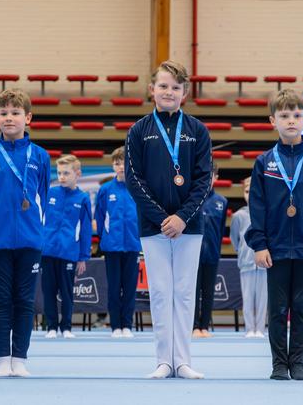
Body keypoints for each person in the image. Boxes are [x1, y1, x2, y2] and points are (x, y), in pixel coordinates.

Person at [245, 89, 303, 381]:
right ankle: (278, 364)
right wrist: (259, 245)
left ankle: (297, 363)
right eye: (284, 116)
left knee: (300, 309)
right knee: (277, 311)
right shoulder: (264, 163)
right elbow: (257, 208)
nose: (291, 121)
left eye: (297, 116)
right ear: (272, 120)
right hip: (273, 250)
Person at [125, 60, 212, 379]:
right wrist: (164, 218)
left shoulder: (197, 131)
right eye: (163, 86)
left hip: (190, 227)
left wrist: (182, 217)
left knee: (186, 292)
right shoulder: (139, 130)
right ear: (152, 90)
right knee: (161, 292)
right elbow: (134, 180)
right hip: (153, 226)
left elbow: (205, 181)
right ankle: (164, 360)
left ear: (184, 93)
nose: (169, 92)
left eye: (175, 87)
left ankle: (184, 360)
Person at [0, 89, 50, 377]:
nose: (10, 118)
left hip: (30, 240)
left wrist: (38, 230)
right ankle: (1, 358)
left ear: (28, 118)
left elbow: (42, 197)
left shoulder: (41, 157)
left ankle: (19, 358)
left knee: (24, 300)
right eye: (4, 113)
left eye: (16, 113)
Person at [41, 155, 91, 339]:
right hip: (47, 252)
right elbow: (40, 222)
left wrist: (83, 257)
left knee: (67, 292)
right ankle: (51, 327)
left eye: (66, 173)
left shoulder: (83, 198)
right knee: (49, 292)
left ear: (77, 174)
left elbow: (85, 230)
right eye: (59, 173)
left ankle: (66, 327)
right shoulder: (50, 193)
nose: (61, 176)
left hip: (69, 252)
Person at [94, 146, 141, 338]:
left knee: (129, 287)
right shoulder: (105, 190)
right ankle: (115, 326)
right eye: (117, 163)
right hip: (112, 245)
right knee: (114, 288)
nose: (120, 166)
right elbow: (100, 215)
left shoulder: (138, 188)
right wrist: (105, 238)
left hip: (132, 244)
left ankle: (127, 325)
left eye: (124, 162)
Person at [193, 164, 227, 338]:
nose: (208, 180)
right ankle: (194, 326)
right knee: (193, 291)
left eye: (211, 176)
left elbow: (221, 230)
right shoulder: (192, 199)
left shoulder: (221, 202)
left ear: (216, 178)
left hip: (212, 253)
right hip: (193, 255)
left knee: (208, 292)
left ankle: (204, 326)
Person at [230, 177, 266, 338]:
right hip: (246, 263)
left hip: (265, 263)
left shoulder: (267, 213)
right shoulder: (238, 216)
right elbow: (235, 240)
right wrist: (243, 253)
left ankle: (260, 328)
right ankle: (249, 328)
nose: (249, 195)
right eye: (246, 192)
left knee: (263, 298)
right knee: (248, 297)